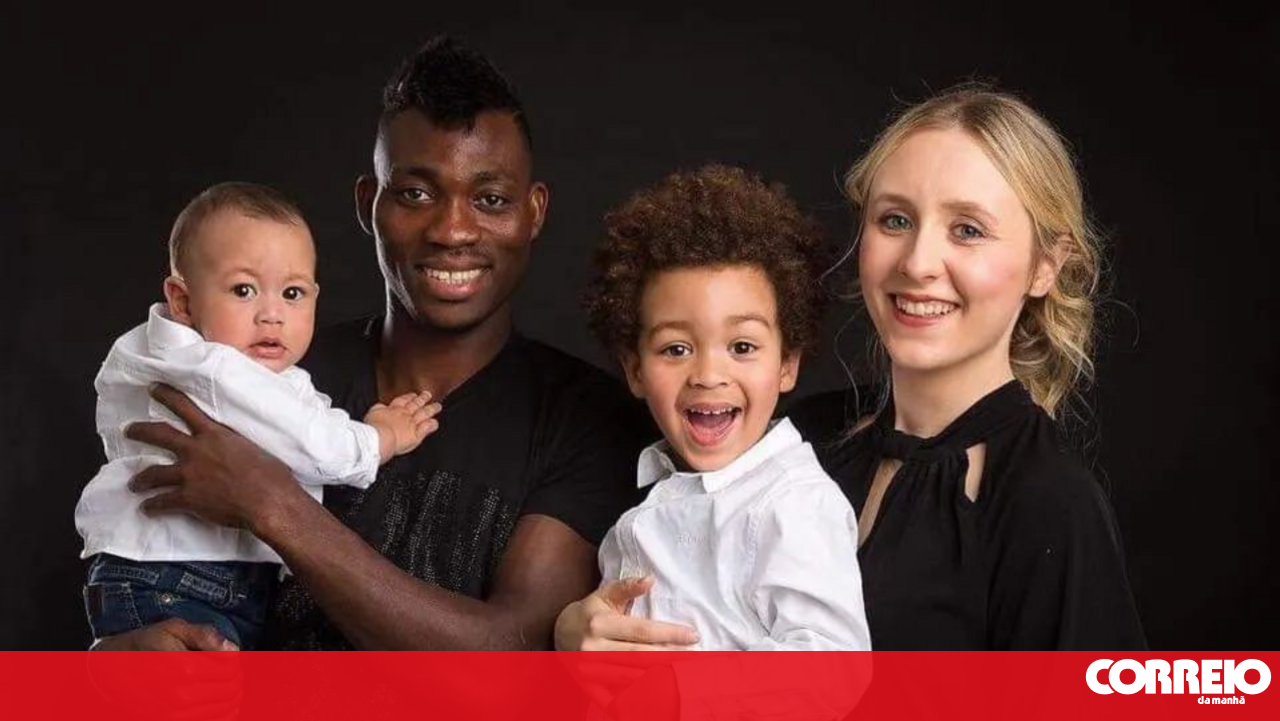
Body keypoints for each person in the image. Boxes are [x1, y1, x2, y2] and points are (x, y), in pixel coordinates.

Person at [93, 36, 649, 652]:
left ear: (533, 212)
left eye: (490, 200)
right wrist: (113, 658)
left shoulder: (585, 419)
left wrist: (273, 505)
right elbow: (138, 569)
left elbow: (508, 656)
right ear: (369, 204)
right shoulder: (258, 371)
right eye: (415, 194)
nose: (452, 231)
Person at [556, 85, 1146, 651]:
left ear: (1046, 265)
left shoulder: (1049, 503)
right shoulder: (795, 437)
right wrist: (577, 630)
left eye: (967, 230)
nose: (917, 263)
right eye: (895, 220)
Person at [77, 181, 437, 649]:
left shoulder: (165, 355)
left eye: (293, 293)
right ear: (183, 301)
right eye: (243, 290)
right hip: (183, 580)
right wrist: (378, 437)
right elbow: (316, 446)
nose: (272, 314)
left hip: (159, 574)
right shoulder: (216, 369)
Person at [579, 164, 870, 652]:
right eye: (676, 349)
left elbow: (831, 662)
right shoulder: (653, 495)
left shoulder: (793, 504)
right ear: (635, 370)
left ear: (787, 365)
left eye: (742, 347)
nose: (708, 375)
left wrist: (683, 685)